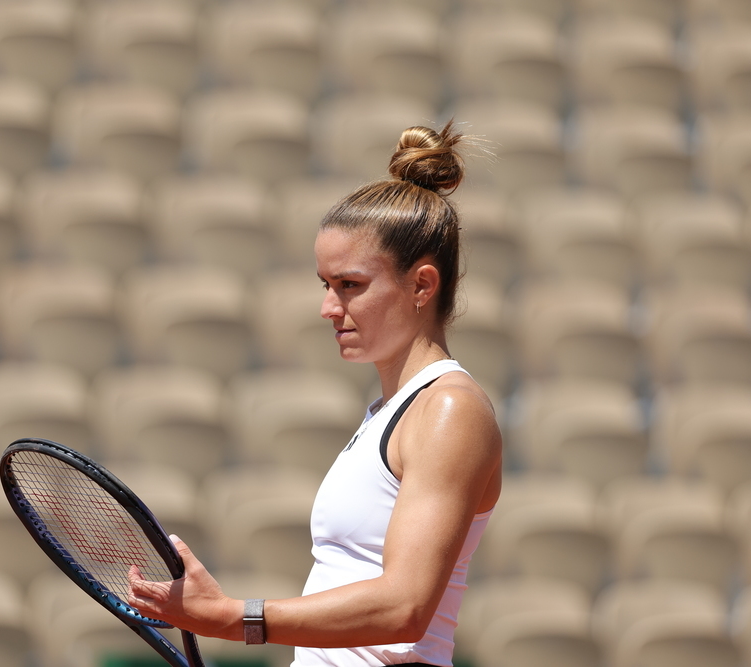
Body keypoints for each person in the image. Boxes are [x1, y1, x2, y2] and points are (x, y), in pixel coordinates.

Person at [128, 120, 502, 667]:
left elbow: (406, 606)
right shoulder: (391, 413)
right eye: (325, 285)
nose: (329, 308)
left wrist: (234, 618)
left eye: (350, 285)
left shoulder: (450, 410)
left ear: (422, 285)